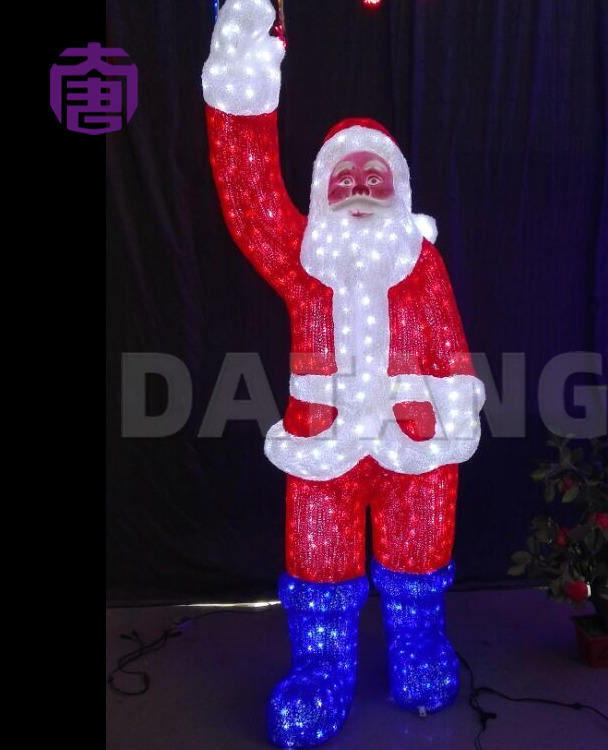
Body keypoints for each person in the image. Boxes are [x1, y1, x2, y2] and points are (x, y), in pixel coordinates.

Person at [202, 1, 485, 746]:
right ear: (323, 190)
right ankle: (322, 672)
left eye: (373, 174)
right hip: (322, 451)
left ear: (399, 187)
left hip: (417, 448)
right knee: (319, 569)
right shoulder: (302, 262)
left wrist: (457, 408)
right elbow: (250, 195)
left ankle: (419, 648)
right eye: (345, 175)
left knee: (419, 561)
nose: (359, 184)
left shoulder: (422, 264)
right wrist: (243, 59)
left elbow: (450, 345)